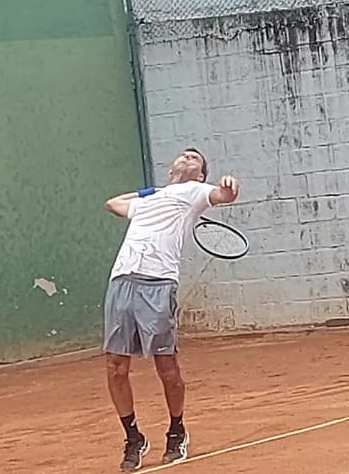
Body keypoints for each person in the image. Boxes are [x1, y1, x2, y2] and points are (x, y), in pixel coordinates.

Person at [102, 147, 239, 471]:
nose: (187, 159)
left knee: (167, 367)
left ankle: (176, 430)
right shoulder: (150, 199)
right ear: (171, 168)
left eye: (195, 159)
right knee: (115, 367)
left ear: (201, 174)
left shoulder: (195, 192)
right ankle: (133, 437)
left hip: (158, 284)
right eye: (184, 156)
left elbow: (224, 195)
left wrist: (230, 188)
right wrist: (151, 191)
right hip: (122, 280)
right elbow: (113, 203)